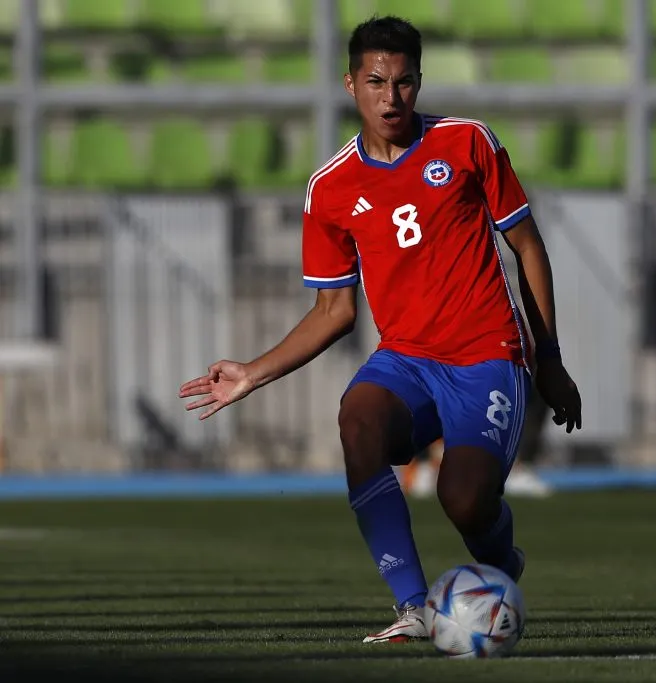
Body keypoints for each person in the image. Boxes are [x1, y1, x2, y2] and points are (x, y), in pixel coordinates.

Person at [178, 15, 582, 644]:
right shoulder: (330, 188)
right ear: (350, 84)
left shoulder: (468, 142)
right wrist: (252, 373)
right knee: (357, 419)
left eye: (404, 83)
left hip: (487, 357)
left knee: (464, 500)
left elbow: (527, 246)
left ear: (418, 83)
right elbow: (335, 312)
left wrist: (548, 357)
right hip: (408, 361)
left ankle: (502, 561)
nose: (391, 98)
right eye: (376, 82)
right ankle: (413, 607)